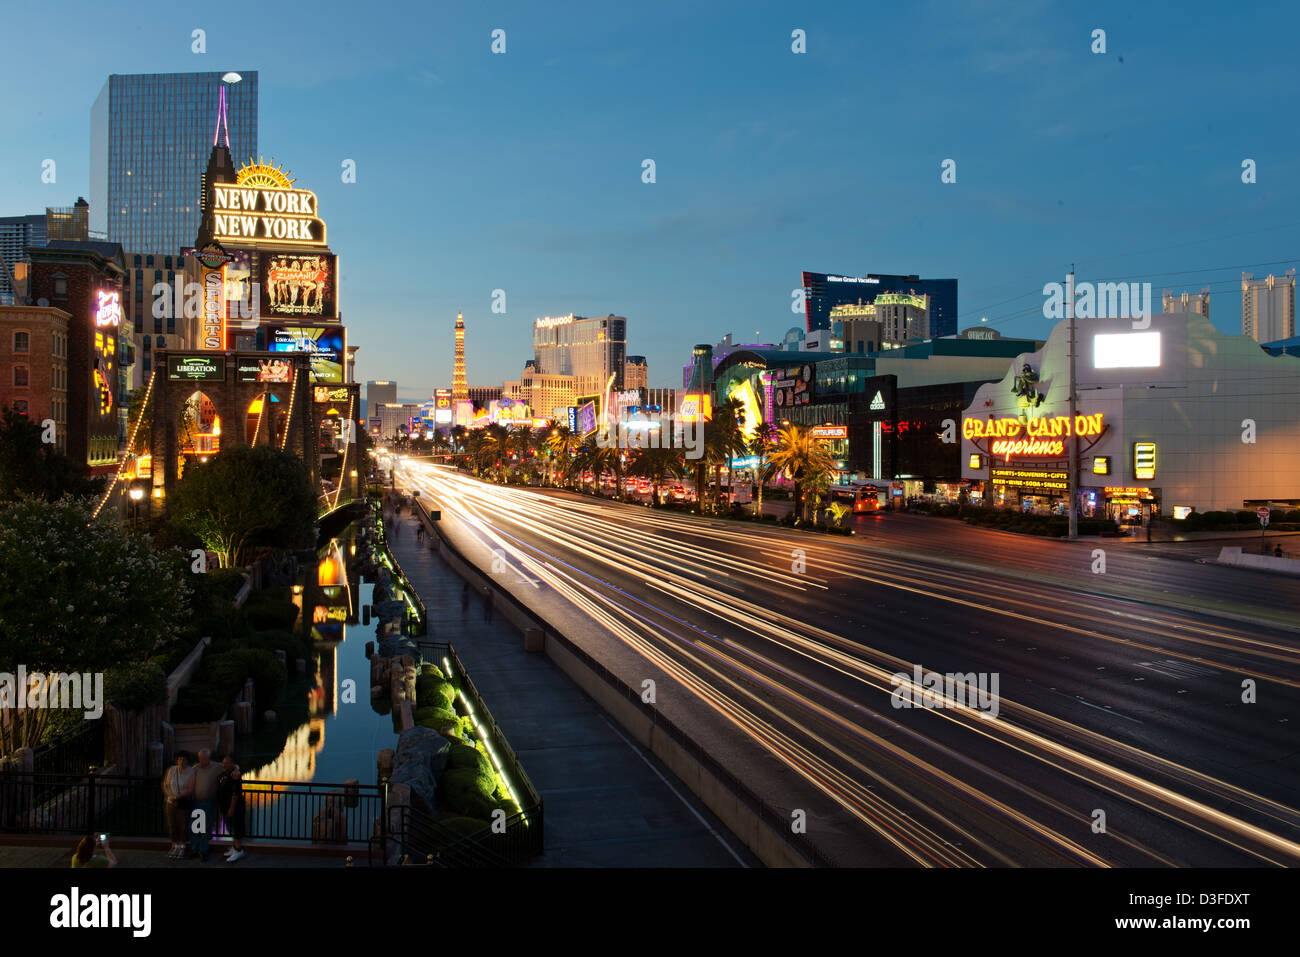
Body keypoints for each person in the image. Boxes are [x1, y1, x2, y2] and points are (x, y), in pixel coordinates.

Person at [189, 749, 223, 862]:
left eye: (205, 758)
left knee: (206, 828)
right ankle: (195, 849)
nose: (202, 760)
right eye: (201, 758)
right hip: (196, 801)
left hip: (209, 801)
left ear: (209, 758)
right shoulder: (195, 768)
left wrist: (236, 770)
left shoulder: (216, 767)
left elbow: (231, 766)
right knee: (195, 827)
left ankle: (203, 851)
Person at [162, 752, 195, 859]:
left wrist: (177, 797)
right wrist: (170, 796)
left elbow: (190, 789)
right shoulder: (171, 769)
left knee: (183, 825)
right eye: (180, 759)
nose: (182, 761)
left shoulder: (191, 771)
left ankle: (182, 846)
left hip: (183, 802)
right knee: (172, 825)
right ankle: (174, 845)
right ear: (177, 760)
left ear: (187, 761)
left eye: (184, 759)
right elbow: (165, 785)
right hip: (170, 802)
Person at [217, 755, 246, 862]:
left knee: (236, 828)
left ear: (232, 764)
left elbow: (235, 794)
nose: (225, 765)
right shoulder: (223, 774)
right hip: (225, 807)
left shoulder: (235, 776)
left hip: (235, 808)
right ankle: (234, 848)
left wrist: (231, 808)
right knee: (231, 828)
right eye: (224, 763)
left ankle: (239, 850)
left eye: (227, 763)